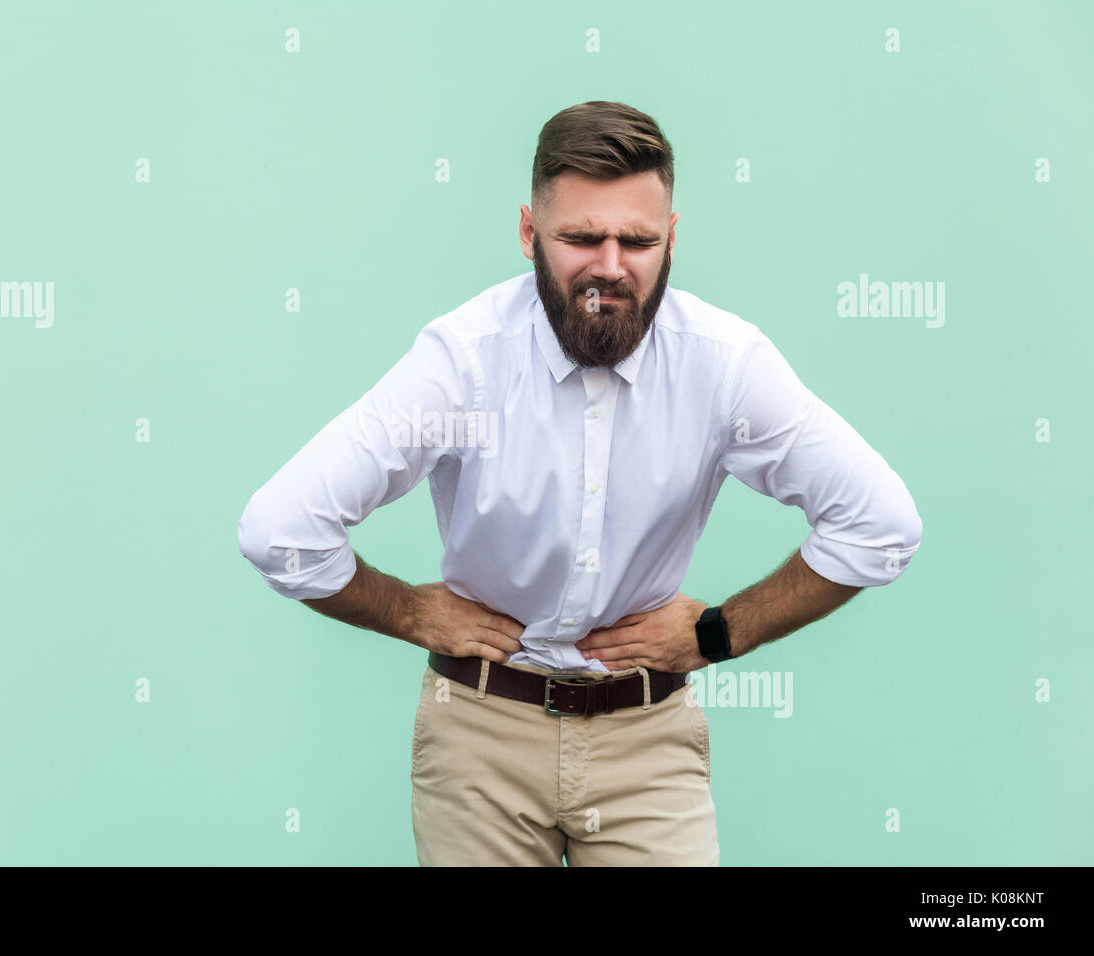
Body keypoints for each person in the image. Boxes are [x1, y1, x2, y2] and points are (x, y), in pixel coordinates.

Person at [237, 100, 922, 866]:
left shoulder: (724, 364)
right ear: (530, 234)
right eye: (579, 237)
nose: (609, 265)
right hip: (478, 741)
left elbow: (882, 525)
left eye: (637, 240)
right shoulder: (463, 361)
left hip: (648, 741)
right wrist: (402, 609)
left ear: (671, 239)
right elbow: (279, 532)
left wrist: (723, 631)